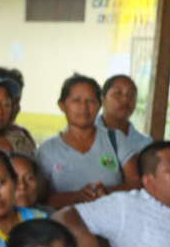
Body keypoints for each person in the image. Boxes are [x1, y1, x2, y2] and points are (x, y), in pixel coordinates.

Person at [36, 74, 141, 208]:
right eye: (76, 100)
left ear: (99, 105)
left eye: (91, 101)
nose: (84, 107)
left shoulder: (115, 139)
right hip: (63, 225)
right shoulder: (47, 150)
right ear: (62, 105)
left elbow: (136, 183)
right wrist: (76, 197)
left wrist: (108, 191)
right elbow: (39, 197)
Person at [97, 74, 154, 172]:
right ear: (102, 99)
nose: (125, 99)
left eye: (132, 94)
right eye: (118, 93)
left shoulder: (145, 144)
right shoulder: (85, 135)